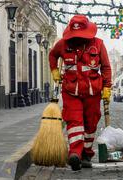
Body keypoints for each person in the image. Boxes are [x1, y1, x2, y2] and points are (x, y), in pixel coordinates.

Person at [49, 15, 112, 171]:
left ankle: (86, 155)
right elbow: (52, 55)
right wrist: (54, 71)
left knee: (91, 122)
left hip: (93, 92)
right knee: (74, 121)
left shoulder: (98, 44)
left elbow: (106, 67)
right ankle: (75, 154)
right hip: (71, 91)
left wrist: (107, 87)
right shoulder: (63, 44)